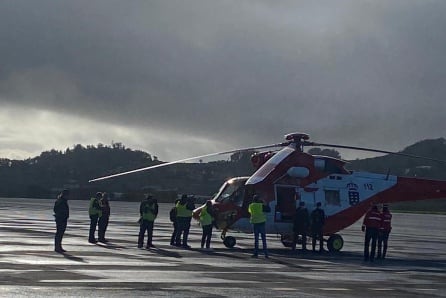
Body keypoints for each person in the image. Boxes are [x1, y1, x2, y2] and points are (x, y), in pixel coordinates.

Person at [248, 194, 271, 258]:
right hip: (261, 223)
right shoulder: (261, 206)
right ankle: (266, 254)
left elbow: (250, 212)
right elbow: (269, 209)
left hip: (255, 223)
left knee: (256, 239)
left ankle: (256, 253)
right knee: (263, 239)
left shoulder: (251, 205)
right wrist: (264, 202)